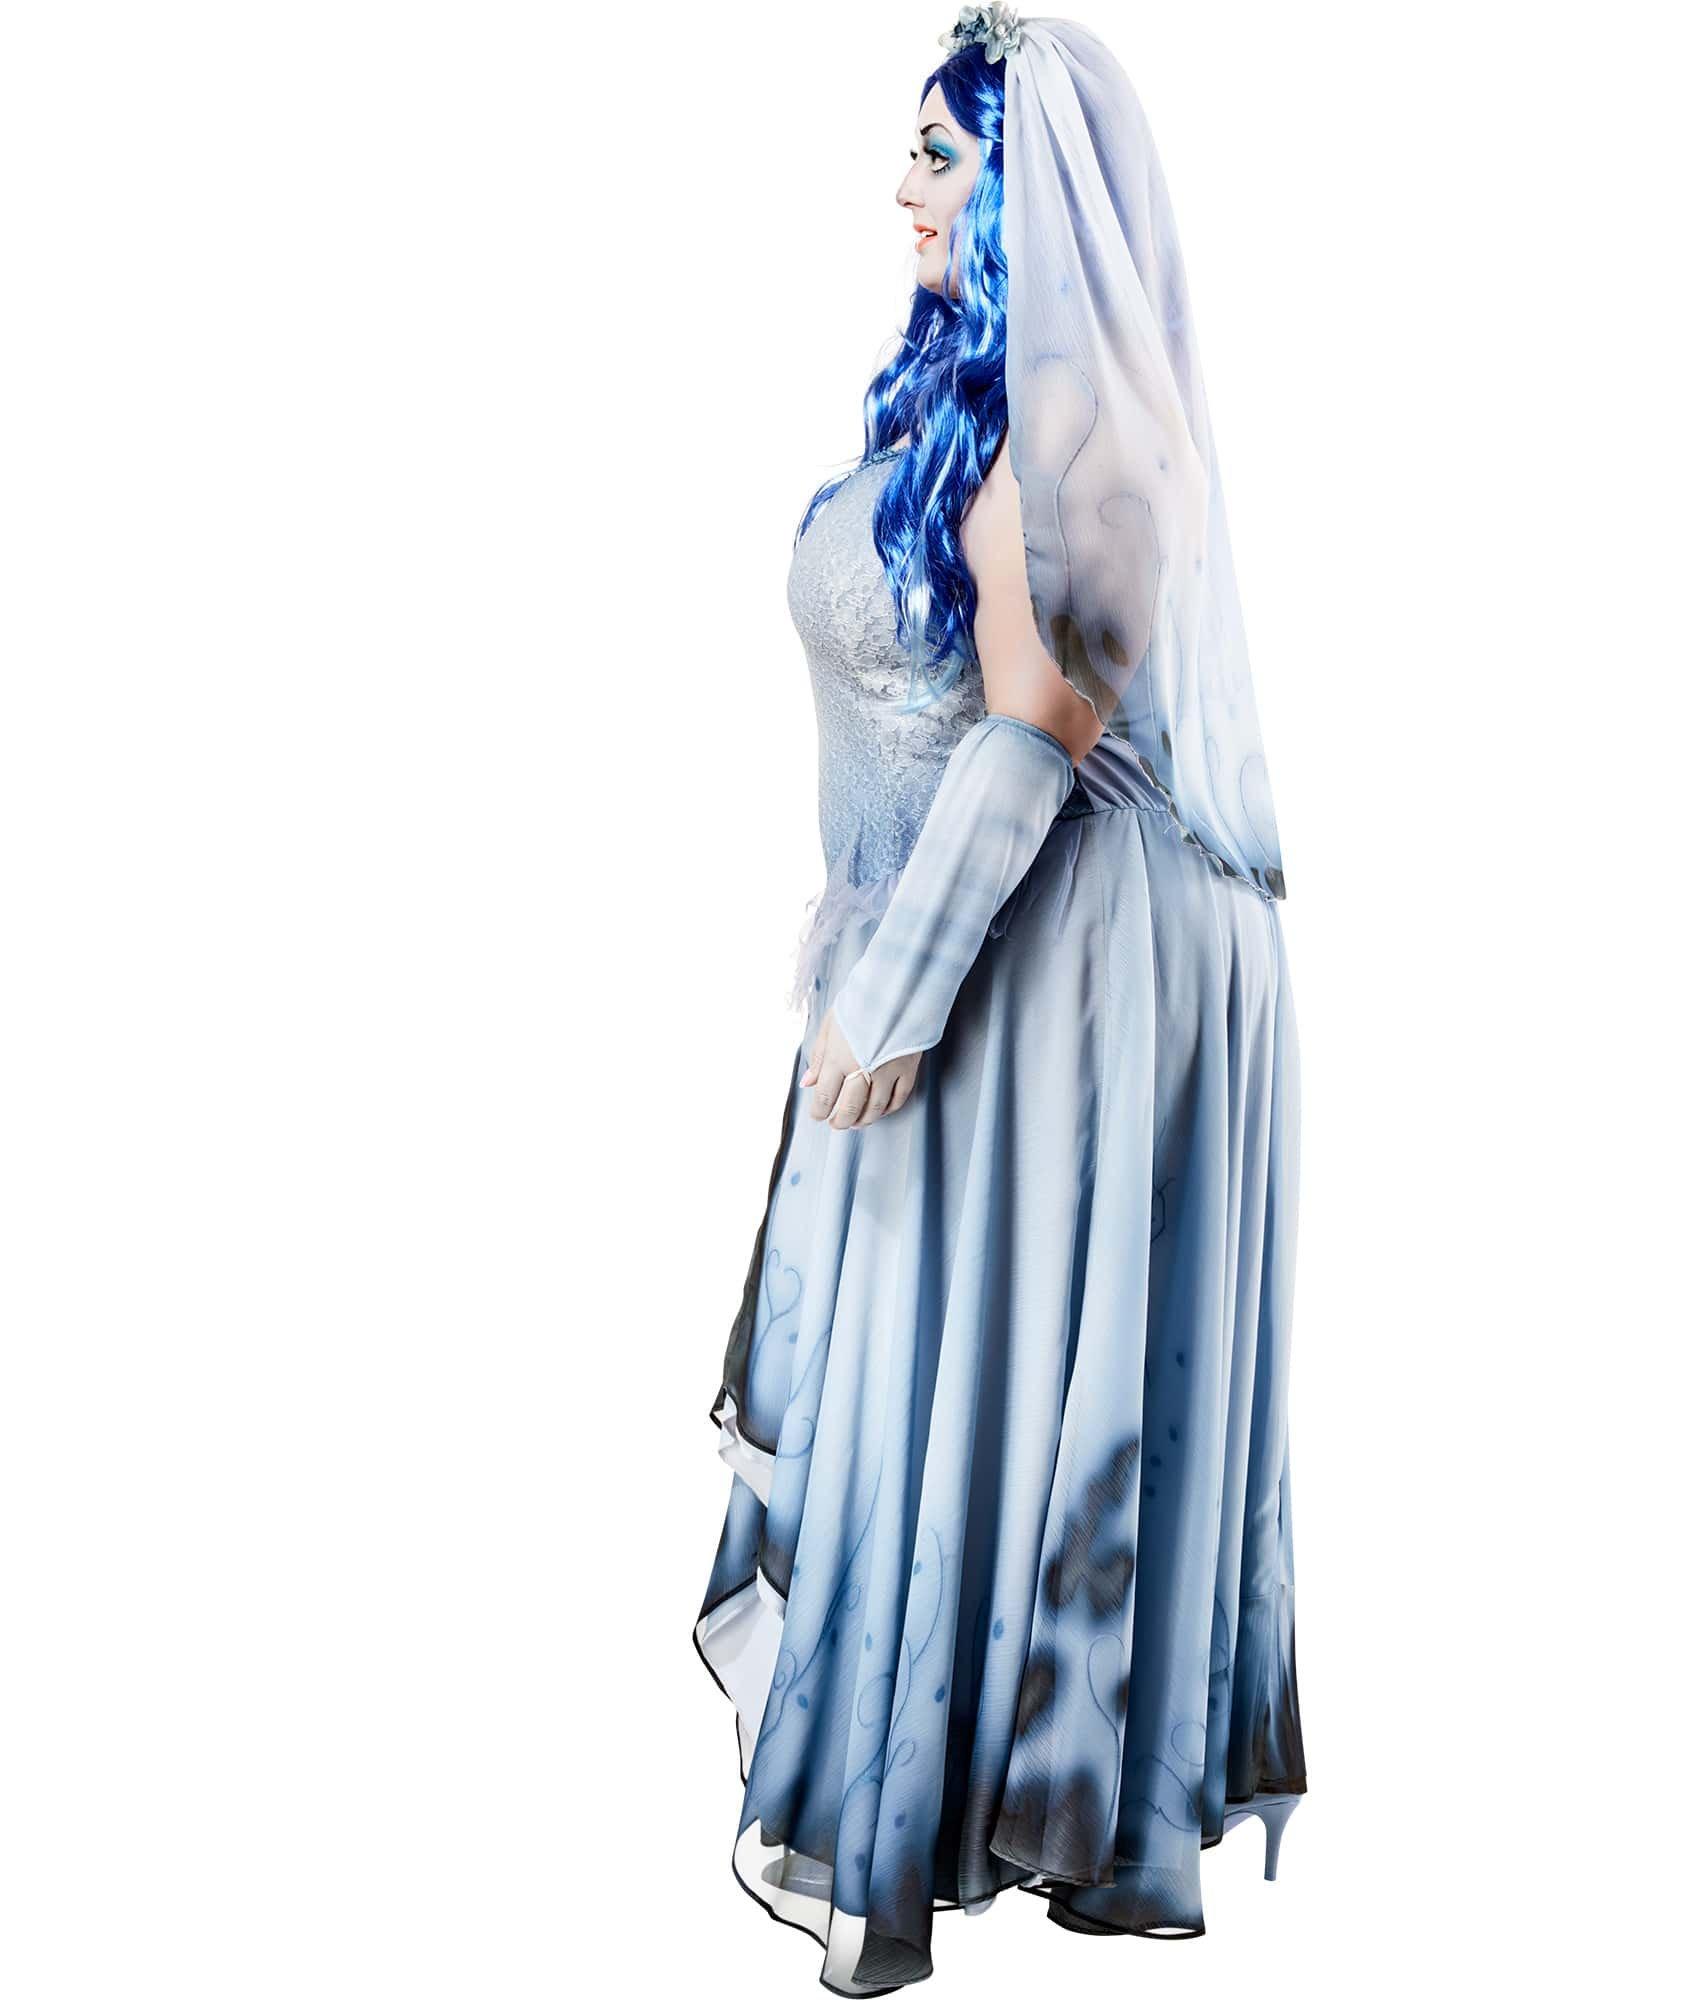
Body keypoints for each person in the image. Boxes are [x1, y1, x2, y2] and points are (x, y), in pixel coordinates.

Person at [694, 12, 1306, 1990]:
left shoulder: (1096, 438)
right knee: (922, 1369)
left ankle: (981, 1787)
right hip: (962, 924)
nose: (904, 190)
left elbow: (1039, 725)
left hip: (1062, 959)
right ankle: (931, 1777)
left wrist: (894, 992)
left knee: (980, 1372)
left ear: (1031, 192)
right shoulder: (973, 409)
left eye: (940, 159)